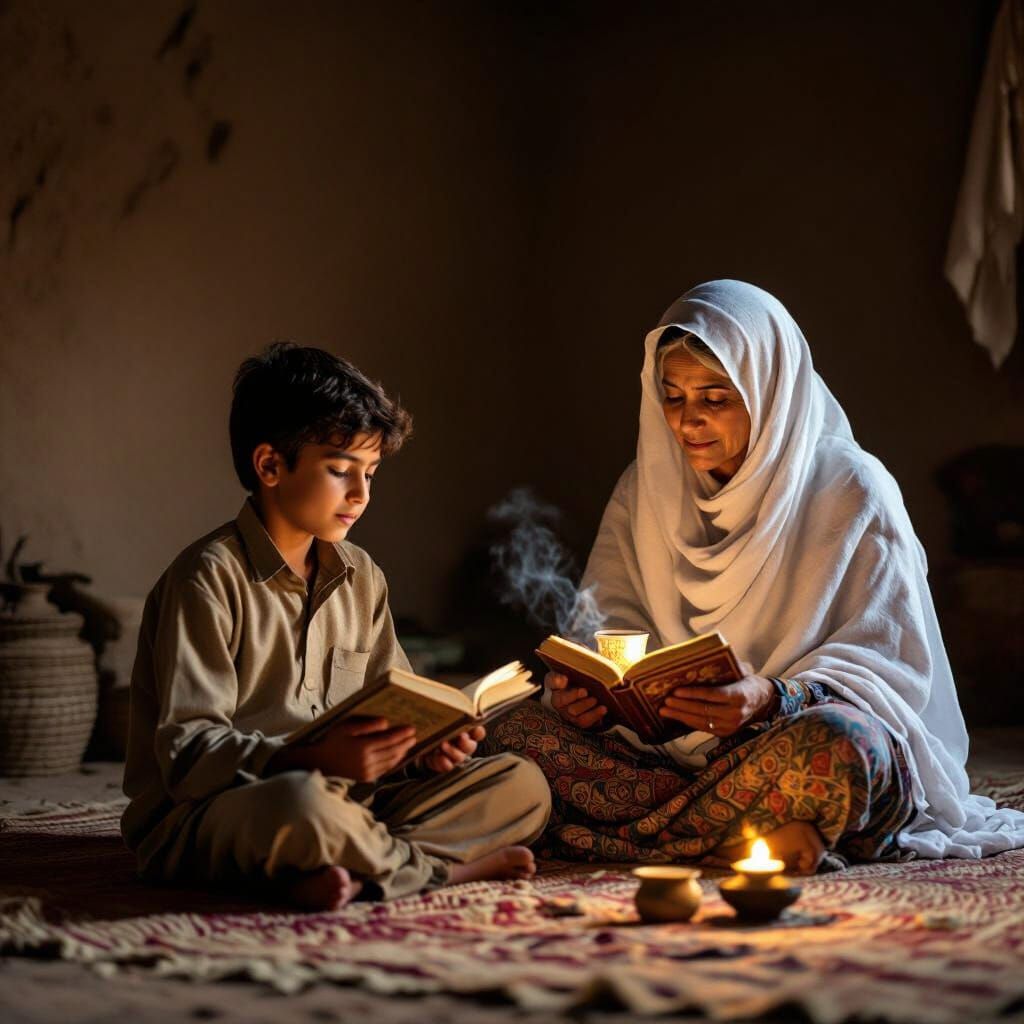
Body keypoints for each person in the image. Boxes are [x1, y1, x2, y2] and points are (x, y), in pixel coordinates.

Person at [483, 280, 1024, 873]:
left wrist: (771, 697)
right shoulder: (646, 486)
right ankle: (758, 833)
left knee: (846, 748)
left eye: (715, 398)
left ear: (769, 391)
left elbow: (893, 666)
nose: (688, 422)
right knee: (515, 730)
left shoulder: (852, 488)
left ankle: (630, 834)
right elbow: (609, 623)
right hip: (661, 755)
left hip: (785, 738)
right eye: (672, 397)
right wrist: (587, 697)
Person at [122, 343, 551, 910]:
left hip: (351, 802)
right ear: (271, 465)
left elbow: (396, 704)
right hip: (221, 810)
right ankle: (438, 873)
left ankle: (335, 871)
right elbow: (187, 756)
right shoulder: (207, 579)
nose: (361, 495)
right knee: (302, 807)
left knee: (522, 786)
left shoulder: (362, 576)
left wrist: (424, 747)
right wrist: (311, 759)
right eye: (340, 471)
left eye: (370, 474)